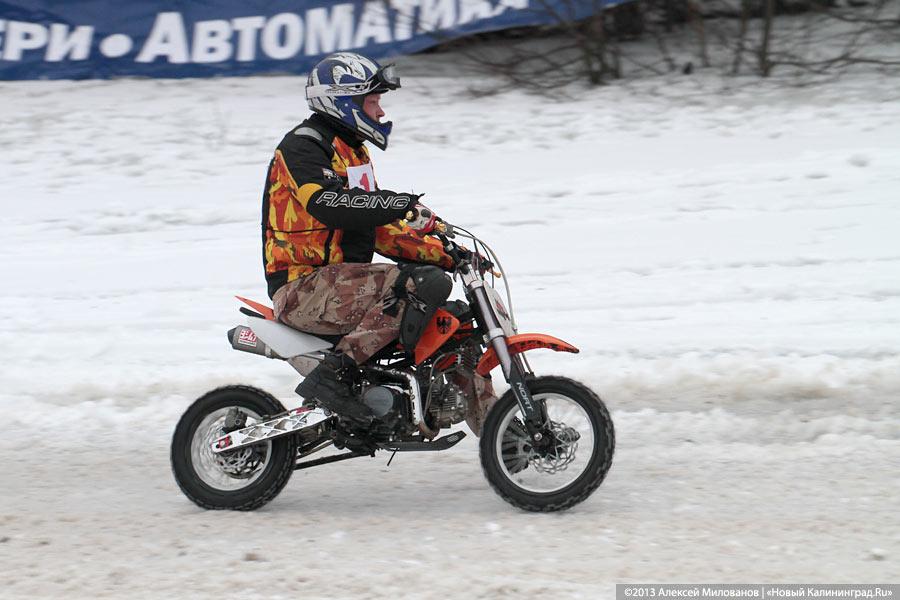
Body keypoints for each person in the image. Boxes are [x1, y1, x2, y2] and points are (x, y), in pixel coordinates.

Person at [261, 52, 495, 429]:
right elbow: (327, 203)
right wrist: (395, 203)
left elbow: (377, 230)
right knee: (420, 283)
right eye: (373, 101)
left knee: (455, 324)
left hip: (343, 284)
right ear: (344, 102)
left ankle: (502, 434)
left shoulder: (353, 151)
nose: (381, 112)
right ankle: (334, 377)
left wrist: (450, 253)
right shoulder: (303, 147)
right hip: (302, 288)